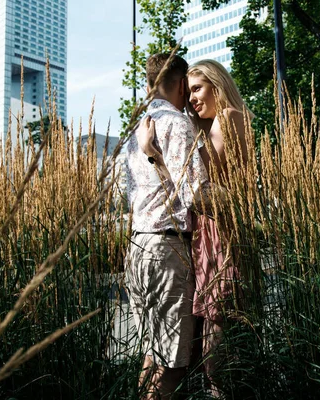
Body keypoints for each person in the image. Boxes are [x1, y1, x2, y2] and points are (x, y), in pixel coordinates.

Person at [139, 59, 253, 397]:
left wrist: (154, 154)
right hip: (203, 228)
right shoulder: (203, 125)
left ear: (217, 84)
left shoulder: (229, 117)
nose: (191, 99)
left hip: (220, 228)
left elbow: (191, 185)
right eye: (187, 93)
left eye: (197, 89)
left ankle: (220, 392)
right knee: (198, 330)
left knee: (215, 326)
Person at [124, 53, 212, 399]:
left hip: (138, 246)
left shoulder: (136, 130)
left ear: (148, 84)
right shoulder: (178, 124)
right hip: (167, 249)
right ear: (180, 84)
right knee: (173, 361)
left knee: (152, 354)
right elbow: (195, 194)